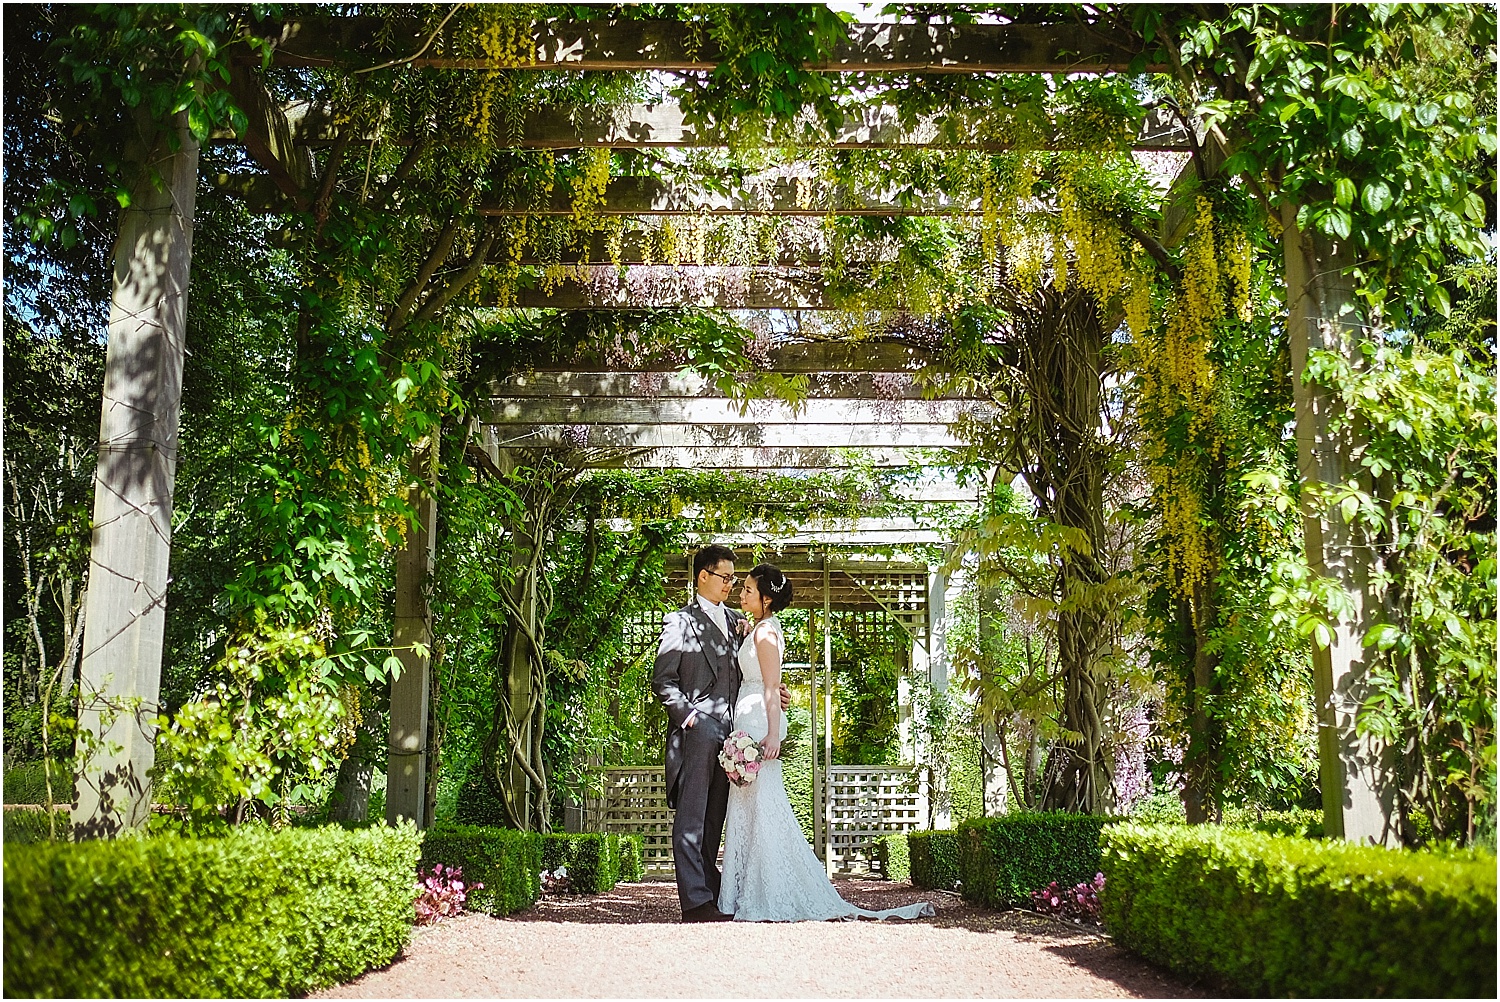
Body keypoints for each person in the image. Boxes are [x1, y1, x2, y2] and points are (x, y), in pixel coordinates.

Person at [718, 563, 935, 922]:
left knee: (765, 807)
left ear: (766, 598)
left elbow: (772, 686)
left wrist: (773, 734)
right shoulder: (758, 628)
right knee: (749, 810)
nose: (741, 593)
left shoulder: (766, 634)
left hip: (759, 722)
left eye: (747, 590)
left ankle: (769, 892)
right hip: (748, 716)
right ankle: (744, 892)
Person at [652, 544, 789, 922]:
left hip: (733, 738)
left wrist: (774, 695)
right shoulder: (678, 622)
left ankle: (712, 893)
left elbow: (753, 674)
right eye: (725, 577)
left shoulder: (736, 623)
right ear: (703, 577)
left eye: (734, 578)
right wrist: (691, 719)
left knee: (716, 821)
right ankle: (695, 903)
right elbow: (663, 681)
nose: (731, 584)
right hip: (695, 736)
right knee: (692, 821)